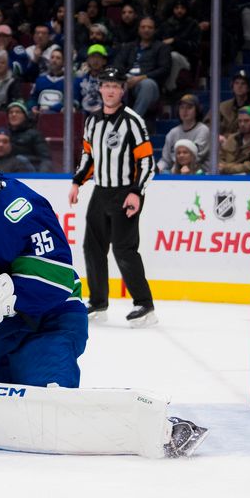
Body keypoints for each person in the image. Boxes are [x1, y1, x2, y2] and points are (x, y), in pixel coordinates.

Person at [0, 145, 206, 458]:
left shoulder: (21, 209)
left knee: (53, 413)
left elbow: (58, 280)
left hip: (48, 324)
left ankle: (160, 428)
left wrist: (5, 298)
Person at [68, 67, 157, 327]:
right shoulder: (92, 121)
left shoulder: (132, 120)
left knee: (123, 249)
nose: (109, 90)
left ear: (122, 90)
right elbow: (88, 157)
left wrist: (137, 193)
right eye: (105, 85)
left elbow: (148, 162)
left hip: (125, 192)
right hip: (100, 191)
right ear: (100, 89)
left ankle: (144, 304)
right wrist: (77, 182)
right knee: (92, 248)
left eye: (115, 86)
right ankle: (98, 302)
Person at [112, 16, 171, 119]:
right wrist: (124, 78)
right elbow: (117, 63)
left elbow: (164, 69)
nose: (146, 30)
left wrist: (142, 77)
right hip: (128, 79)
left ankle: (133, 120)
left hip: (149, 83)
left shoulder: (162, 47)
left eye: (149, 27)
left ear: (154, 30)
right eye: (143, 27)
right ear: (138, 29)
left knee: (147, 84)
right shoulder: (129, 46)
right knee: (110, 82)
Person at [157, 93, 210, 173]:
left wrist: (177, 168)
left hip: (200, 174)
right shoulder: (172, 133)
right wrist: (157, 168)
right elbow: (166, 160)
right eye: (182, 107)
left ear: (197, 110)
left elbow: (196, 158)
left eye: (189, 107)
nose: (185, 111)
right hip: (176, 172)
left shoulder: (203, 130)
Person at [205, 70, 250, 140]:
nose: (239, 86)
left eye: (243, 83)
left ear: (248, 88)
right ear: (232, 86)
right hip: (220, 141)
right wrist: (216, 136)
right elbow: (207, 123)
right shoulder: (222, 107)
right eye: (236, 83)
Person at [217, 106, 250, 174]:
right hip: (224, 178)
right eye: (240, 121)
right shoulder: (232, 138)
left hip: (248, 181)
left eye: (246, 121)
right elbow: (220, 158)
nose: (242, 124)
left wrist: (226, 168)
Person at [6, 101, 51, 171]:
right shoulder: (3, 134)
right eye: (10, 112)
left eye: (17, 112)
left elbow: (45, 159)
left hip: (28, 173)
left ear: (25, 116)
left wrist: (41, 177)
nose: (13, 114)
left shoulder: (35, 134)